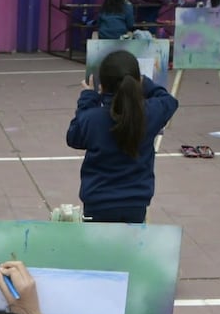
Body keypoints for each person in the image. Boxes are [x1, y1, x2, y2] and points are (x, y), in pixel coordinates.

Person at [66, 50, 179, 223]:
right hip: (136, 203)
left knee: (99, 249)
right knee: (130, 249)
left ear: (102, 85)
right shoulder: (149, 113)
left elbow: (74, 137)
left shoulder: (92, 118)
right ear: (136, 82)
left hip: (98, 202)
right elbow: (169, 101)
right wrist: (144, 83)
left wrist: (88, 99)